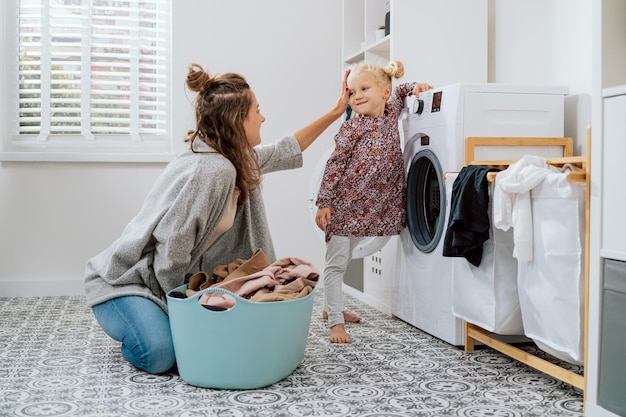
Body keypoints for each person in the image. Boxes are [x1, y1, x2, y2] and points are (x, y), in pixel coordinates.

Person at [84, 63, 351, 374]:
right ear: (238, 121)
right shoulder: (212, 170)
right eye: (257, 111)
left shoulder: (230, 159)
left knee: (232, 337)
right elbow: (171, 250)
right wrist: (185, 314)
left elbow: (283, 150)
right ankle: (139, 326)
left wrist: (336, 112)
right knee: (161, 356)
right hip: (129, 283)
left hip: (161, 279)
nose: (263, 118)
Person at [315, 60, 433, 344]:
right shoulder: (351, 129)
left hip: (373, 205)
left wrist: (415, 87)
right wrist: (324, 202)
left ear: (384, 92)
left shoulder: (391, 111)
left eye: (364, 88)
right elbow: (334, 165)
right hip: (345, 206)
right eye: (351, 92)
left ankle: (331, 307)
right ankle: (335, 323)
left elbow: (402, 89)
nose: (357, 96)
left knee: (346, 257)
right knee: (337, 264)